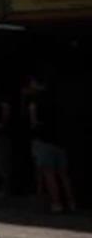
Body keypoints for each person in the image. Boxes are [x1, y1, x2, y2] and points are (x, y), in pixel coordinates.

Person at [24, 74, 75, 213]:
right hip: (59, 140)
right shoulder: (57, 98)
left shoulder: (35, 101)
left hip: (43, 139)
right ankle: (71, 202)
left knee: (48, 173)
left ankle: (56, 203)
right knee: (63, 174)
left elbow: (33, 121)